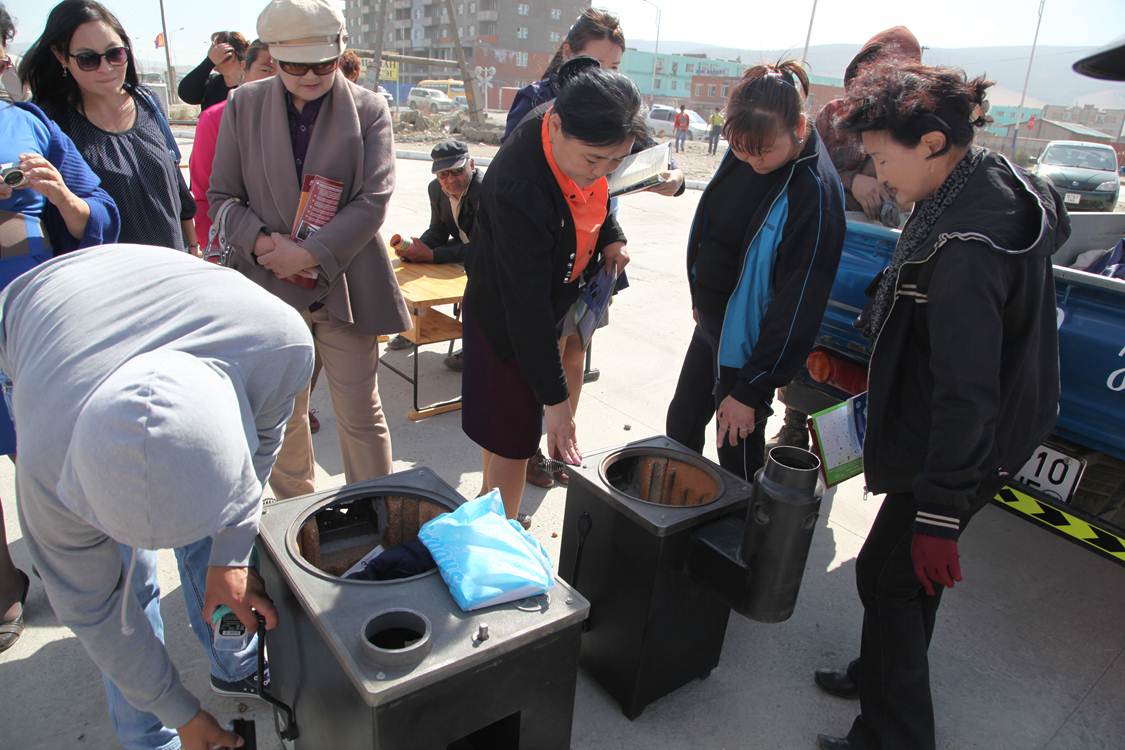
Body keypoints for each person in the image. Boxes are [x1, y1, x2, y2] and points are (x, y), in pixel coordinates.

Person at [814, 64, 1068, 750]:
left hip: (969, 435)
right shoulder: (982, 178)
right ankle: (882, 674)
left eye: (879, 157)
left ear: (928, 141)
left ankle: (891, 734)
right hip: (972, 420)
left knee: (888, 576)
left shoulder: (965, 249)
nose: (875, 173)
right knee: (905, 576)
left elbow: (967, 391)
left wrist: (939, 511)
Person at [0, 244, 314, 750]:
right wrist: (179, 711)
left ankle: (233, 663)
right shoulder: (47, 471)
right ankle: (151, 735)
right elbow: (97, 610)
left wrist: (229, 558)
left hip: (166, 295)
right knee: (129, 580)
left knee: (210, 549)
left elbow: (258, 454)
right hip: (39, 309)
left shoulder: (279, 347)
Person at [208, 0, 410, 500]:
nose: (311, 76)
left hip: (343, 283)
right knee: (284, 412)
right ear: (273, 56)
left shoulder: (369, 108)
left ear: (341, 51)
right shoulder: (244, 104)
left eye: (323, 63)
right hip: (268, 282)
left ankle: (375, 510)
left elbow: (374, 200)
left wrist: (310, 252)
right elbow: (221, 197)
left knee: (361, 411)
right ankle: (296, 512)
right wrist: (261, 244)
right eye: (295, 65)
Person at [503, 19, 686, 489]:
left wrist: (616, 230)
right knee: (537, 352)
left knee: (575, 345)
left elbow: (641, 165)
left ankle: (558, 438)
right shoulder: (538, 112)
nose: (608, 79)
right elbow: (525, 210)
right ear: (571, 55)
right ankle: (529, 439)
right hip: (547, 260)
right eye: (599, 66)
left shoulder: (610, 129)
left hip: (592, 253)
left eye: (617, 68)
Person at [461, 60, 640, 523]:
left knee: (506, 438)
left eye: (614, 161)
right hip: (508, 323)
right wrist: (558, 407)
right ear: (555, 125)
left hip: (541, 311)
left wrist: (611, 235)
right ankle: (497, 542)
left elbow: (594, 200)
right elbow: (526, 311)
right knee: (513, 442)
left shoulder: (573, 142)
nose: (600, 173)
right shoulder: (519, 185)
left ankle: (491, 517)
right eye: (592, 161)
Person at [0, 0, 120, 655]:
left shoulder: (28, 124)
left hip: (35, 317)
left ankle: (79, 573)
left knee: (47, 447)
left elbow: (99, 211)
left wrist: (61, 198)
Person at [665, 61, 846, 482]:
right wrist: (701, 298)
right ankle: (678, 529)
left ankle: (743, 542)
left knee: (736, 455)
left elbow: (797, 304)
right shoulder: (747, 147)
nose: (749, 160)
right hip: (714, 324)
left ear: (799, 125)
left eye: (762, 151)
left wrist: (752, 388)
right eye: (740, 149)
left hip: (751, 347)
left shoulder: (813, 193)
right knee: (681, 427)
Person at [770, 26, 923, 454]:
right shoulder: (833, 116)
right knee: (811, 339)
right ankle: (795, 426)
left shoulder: (915, 125)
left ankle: (839, 448)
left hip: (886, 258)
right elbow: (806, 173)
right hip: (832, 245)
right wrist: (854, 180)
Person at [20, 0, 198, 254]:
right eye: (88, 59)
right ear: (62, 57)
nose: (106, 68)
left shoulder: (148, 102)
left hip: (174, 269)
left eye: (115, 54)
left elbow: (176, 185)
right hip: (108, 281)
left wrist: (193, 245)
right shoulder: (50, 125)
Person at [386, 139, 482, 368]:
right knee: (409, 269)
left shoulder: (486, 191)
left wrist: (433, 255)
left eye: (457, 172)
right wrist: (414, 249)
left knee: (479, 289)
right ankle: (412, 326)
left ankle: (474, 348)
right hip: (461, 249)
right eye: (443, 175)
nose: (450, 180)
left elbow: (483, 245)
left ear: (472, 164)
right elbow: (437, 231)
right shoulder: (436, 189)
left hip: (491, 255)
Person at [190, 39, 274, 243]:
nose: (275, 79)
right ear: (245, 67)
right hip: (233, 245)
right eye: (266, 70)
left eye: (285, 70)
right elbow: (203, 195)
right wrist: (216, 250)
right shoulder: (214, 119)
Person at [502, 7, 625, 142]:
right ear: (567, 52)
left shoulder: (618, 109)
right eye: (596, 64)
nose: (605, 76)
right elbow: (509, 158)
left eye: (613, 67)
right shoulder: (536, 100)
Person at [177, 30, 249, 111]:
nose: (212, 55)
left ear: (231, 55)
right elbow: (186, 94)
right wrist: (208, 62)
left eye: (217, 51)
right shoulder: (212, 84)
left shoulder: (250, 85)